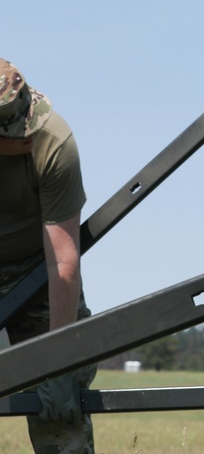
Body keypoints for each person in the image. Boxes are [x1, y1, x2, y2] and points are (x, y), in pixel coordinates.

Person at [0, 59, 96, 454]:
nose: (24, 137)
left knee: (62, 409)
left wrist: (58, 362)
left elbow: (62, 261)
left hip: (36, 272)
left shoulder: (53, 141)